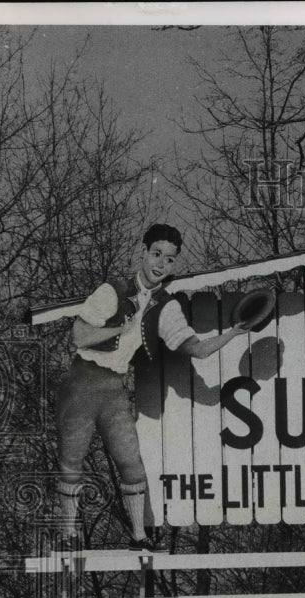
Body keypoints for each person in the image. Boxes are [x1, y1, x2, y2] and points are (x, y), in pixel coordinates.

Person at [56, 224, 246, 551]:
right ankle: (68, 536)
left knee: (131, 462)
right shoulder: (111, 290)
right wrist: (118, 328)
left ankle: (139, 537)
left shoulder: (166, 306)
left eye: (169, 260)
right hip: (83, 380)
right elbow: (79, 337)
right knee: (72, 459)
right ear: (143, 252)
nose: (161, 264)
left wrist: (233, 333)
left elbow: (195, 349)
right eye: (156, 254)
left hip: (114, 386)